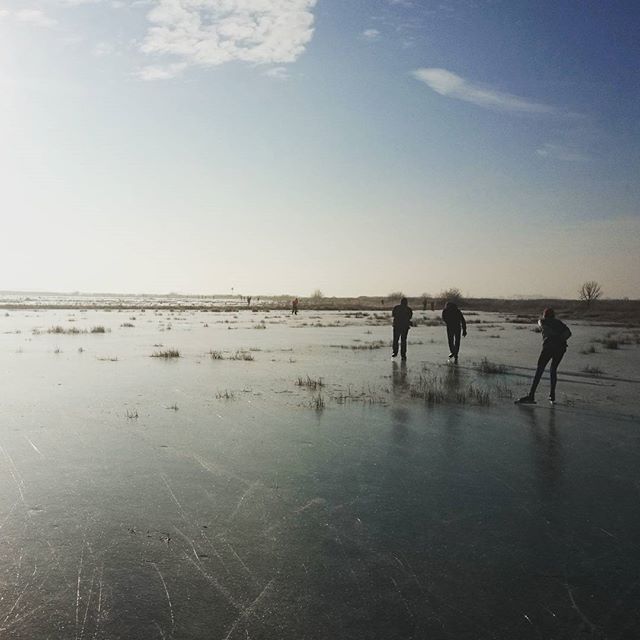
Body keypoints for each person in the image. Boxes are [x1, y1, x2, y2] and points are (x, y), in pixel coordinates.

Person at [516, 308, 572, 405]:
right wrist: (560, 339)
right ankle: (552, 395)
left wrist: (553, 338)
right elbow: (569, 333)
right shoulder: (559, 323)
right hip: (561, 348)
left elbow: (540, 324)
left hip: (549, 347)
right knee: (553, 369)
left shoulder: (543, 321)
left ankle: (531, 395)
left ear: (545, 315)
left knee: (540, 369)